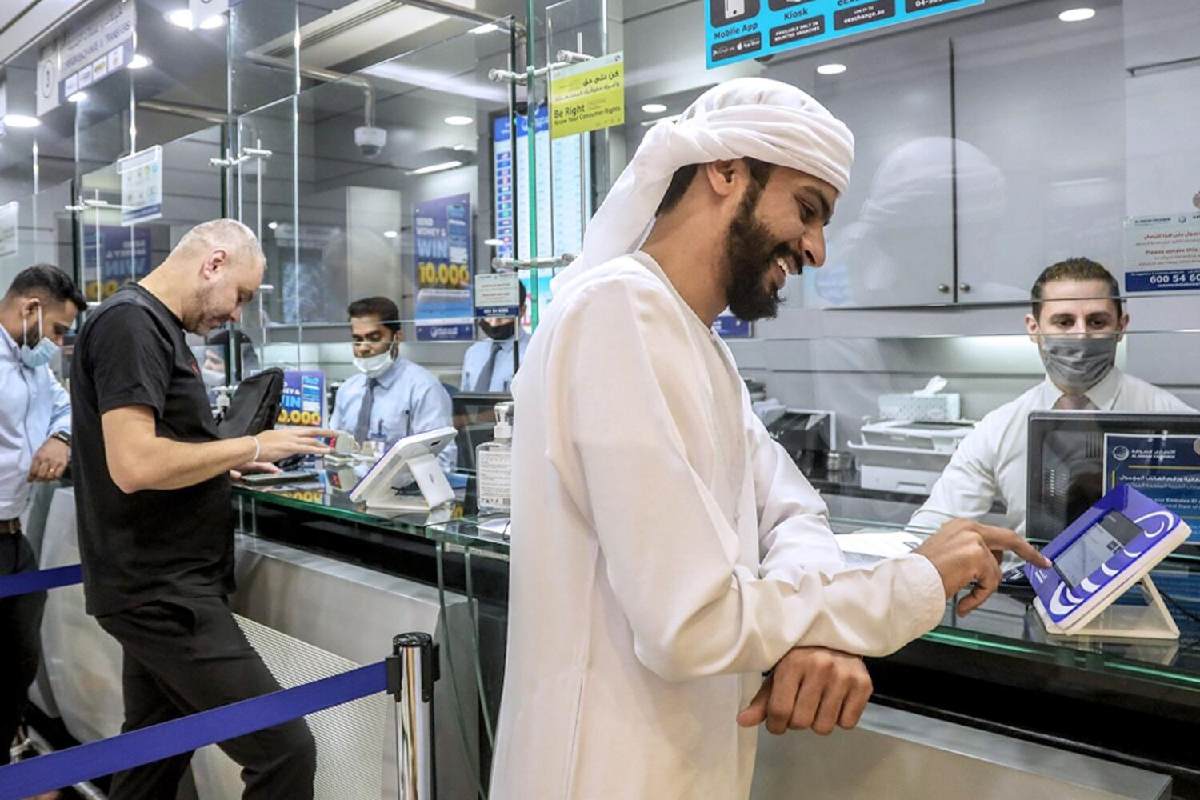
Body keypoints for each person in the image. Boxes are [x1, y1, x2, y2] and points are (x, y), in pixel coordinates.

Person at [490, 78, 1047, 799]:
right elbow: (690, 624)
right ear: (726, 171)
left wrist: (816, 630)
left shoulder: (702, 345)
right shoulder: (617, 311)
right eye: (808, 210)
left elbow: (792, 510)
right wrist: (909, 585)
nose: (816, 250)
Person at [70, 219, 333, 800]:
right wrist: (251, 445)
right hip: (161, 593)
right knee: (284, 749)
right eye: (240, 295)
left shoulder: (155, 327)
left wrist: (214, 466)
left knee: (153, 753)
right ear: (214, 263)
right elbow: (134, 464)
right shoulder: (131, 325)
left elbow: (160, 453)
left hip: (159, 583)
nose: (236, 314)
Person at [910, 257, 1194, 536]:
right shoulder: (998, 428)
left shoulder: (1176, 422)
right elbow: (932, 529)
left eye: (1097, 322)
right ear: (1034, 328)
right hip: (1031, 568)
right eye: (1064, 322)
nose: (1081, 336)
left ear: (1121, 326)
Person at [0, 265, 85, 778]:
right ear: (30, 307)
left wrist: (61, 438)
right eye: (56, 329)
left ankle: (10, 757)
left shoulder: (31, 365)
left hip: (14, 535)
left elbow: (66, 407)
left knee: (19, 657)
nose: (57, 342)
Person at [329, 296, 456, 470]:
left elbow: (441, 460)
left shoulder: (423, 388)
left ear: (397, 337)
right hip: (349, 483)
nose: (363, 347)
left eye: (374, 338)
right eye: (357, 339)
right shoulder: (348, 389)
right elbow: (333, 448)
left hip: (402, 485)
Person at [460, 281, 530, 393]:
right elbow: (465, 397)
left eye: (503, 314)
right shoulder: (473, 353)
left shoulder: (532, 353)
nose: (494, 323)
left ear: (522, 311)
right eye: (488, 313)